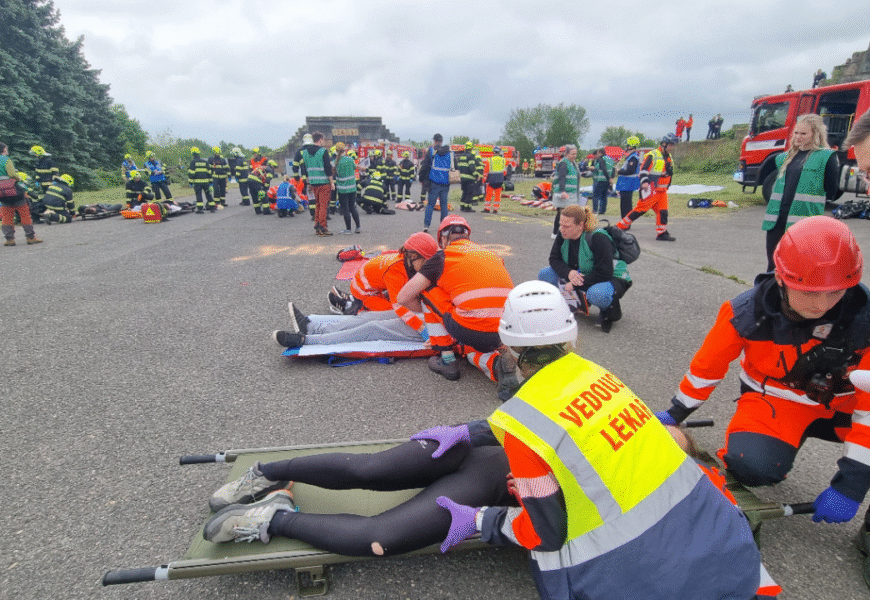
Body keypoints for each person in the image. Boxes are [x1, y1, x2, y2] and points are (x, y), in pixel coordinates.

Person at [433, 281, 779, 600]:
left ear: (507, 348)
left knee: (550, 550)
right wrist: (474, 431)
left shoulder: (523, 429)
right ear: (572, 339)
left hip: (636, 587)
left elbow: (545, 533)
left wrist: (482, 520)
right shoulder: (604, 378)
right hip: (735, 569)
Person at [656, 217, 870, 538]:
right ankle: (772, 457)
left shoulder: (864, 322)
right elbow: (707, 368)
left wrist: (851, 484)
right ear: (782, 280)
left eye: (835, 292)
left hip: (846, 409)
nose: (822, 304)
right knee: (749, 465)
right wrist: (676, 413)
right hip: (776, 404)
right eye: (809, 292)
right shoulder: (745, 314)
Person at [396, 215, 517, 400]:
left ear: (443, 239)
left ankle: (447, 359)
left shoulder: (442, 257)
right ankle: (498, 365)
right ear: (467, 234)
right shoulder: (492, 254)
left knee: (426, 291)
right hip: (506, 330)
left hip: (470, 328)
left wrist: (435, 318)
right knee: (470, 351)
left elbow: (403, 297)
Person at [762, 114, 838, 271]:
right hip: (776, 220)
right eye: (796, 133)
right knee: (773, 265)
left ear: (815, 134)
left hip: (803, 222)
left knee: (797, 267)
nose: (798, 137)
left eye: (803, 134)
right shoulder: (783, 157)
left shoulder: (826, 157)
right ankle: (770, 294)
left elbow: (831, 191)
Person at [538, 205, 631, 333]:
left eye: (566, 226)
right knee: (545, 274)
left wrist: (575, 284)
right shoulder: (563, 234)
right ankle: (572, 302)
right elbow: (554, 259)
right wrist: (568, 272)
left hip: (612, 277)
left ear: (580, 225)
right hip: (583, 272)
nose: (561, 229)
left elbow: (604, 272)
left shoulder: (598, 238)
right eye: (560, 224)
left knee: (597, 294)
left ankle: (609, 311)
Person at [616, 133, 678, 241]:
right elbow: (643, 169)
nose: (672, 147)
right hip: (651, 189)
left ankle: (662, 233)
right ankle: (619, 227)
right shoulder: (653, 155)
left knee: (663, 211)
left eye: (673, 145)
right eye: (670, 145)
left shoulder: (668, 157)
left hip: (662, 190)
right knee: (640, 210)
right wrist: (644, 182)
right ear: (664, 144)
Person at [1, 142, 43, 246]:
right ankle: (30, 237)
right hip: (14, 190)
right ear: (4, 150)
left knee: (6, 216)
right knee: (24, 213)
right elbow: (11, 174)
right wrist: (19, 178)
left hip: (2, 193)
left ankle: (9, 239)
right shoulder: (6, 160)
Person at [300, 131, 334, 236]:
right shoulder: (323, 151)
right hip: (323, 182)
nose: (324, 142)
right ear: (319, 140)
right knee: (324, 205)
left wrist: (307, 181)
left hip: (313, 182)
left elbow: (304, 168)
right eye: (323, 140)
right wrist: (331, 182)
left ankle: (317, 225)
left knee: (318, 204)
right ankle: (322, 227)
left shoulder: (305, 152)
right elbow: (328, 168)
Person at [419, 133, 452, 233]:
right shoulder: (449, 152)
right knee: (444, 205)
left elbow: (424, 165)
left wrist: (421, 179)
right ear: (441, 142)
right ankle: (444, 228)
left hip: (434, 182)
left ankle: (426, 226)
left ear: (436, 141)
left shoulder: (432, 151)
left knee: (430, 205)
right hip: (445, 183)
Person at [550, 144, 581, 238]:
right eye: (572, 154)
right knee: (562, 213)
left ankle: (565, 232)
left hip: (572, 192)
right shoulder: (564, 163)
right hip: (565, 193)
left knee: (569, 213)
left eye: (575, 154)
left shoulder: (573, 164)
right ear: (567, 153)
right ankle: (555, 233)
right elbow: (561, 178)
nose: (574, 156)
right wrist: (563, 191)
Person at [333, 143, 361, 234]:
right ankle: (358, 227)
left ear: (336, 151)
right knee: (352, 207)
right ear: (344, 150)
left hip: (342, 189)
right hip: (352, 188)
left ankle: (348, 229)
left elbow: (333, 173)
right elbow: (354, 168)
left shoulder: (335, 162)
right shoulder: (350, 159)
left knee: (345, 209)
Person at [615, 136, 641, 218]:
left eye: (627, 145)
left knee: (626, 205)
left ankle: (626, 222)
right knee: (624, 204)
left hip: (628, 184)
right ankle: (625, 221)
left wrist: (619, 171)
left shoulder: (633, 158)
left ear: (631, 146)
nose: (626, 147)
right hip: (625, 184)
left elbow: (630, 171)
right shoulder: (630, 157)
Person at [187, 147, 215, 213]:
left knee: (199, 195)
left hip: (197, 182)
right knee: (208, 195)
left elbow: (191, 173)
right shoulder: (205, 162)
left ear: (192, 154)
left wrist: (190, 182)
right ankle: (212, 208)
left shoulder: (193, 162)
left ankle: (200, 209)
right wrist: (211, 182)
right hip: (206, 182)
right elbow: (209, 173)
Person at [482, 146, 506, 214]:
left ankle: (487, 208)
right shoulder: (503, 160)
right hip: (500, 179)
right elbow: (504, 172)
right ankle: (495, 209)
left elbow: (486, 171)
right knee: (498, 195)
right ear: (499, 152)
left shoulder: (490, 160)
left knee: (489, 194)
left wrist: (484, 180)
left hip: (492, 179)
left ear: (493, 152)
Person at [590, 148, 613, 215]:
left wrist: (608, 177)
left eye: (598, 153)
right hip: (607, 180)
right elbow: (613, 169)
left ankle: (595, 210)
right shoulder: (609, 159)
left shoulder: (601, 159)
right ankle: (602, 210)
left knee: (595, 195)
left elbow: (603, 169)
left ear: (600, 153)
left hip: (602, 179)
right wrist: (610, 178)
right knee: (604, 196)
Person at [456, 141, 477, 213]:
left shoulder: (462, 156)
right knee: (469, 193)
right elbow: (472, 167)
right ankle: (467, 208)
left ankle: (462, 206)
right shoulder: (471, 156)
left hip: (462, 177)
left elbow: (459, 166)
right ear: (471, 148)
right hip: (469, 178)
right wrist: (476, 175)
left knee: (464, 192)